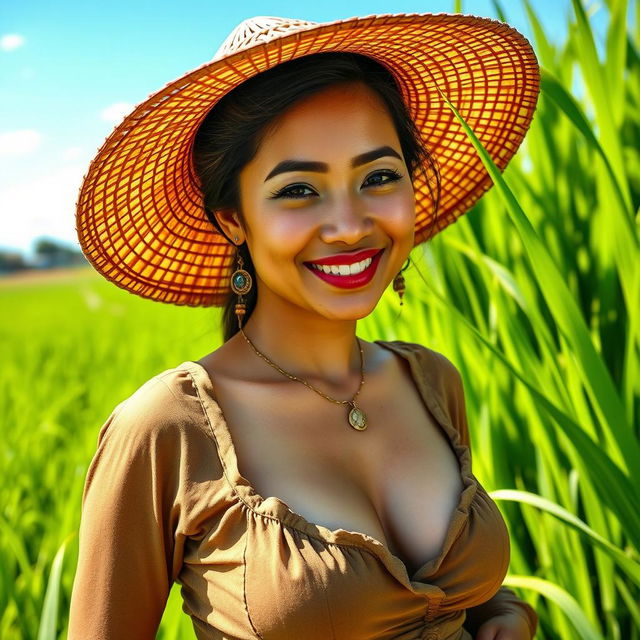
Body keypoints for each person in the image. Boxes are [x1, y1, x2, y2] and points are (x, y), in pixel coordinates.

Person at [68, 13, 540, 640]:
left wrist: (502, 612)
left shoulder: (428, 382)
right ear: (235, 218)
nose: (349, 225)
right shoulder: (165, 431)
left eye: (378, 177)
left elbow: (447, 594)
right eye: (298, 190)